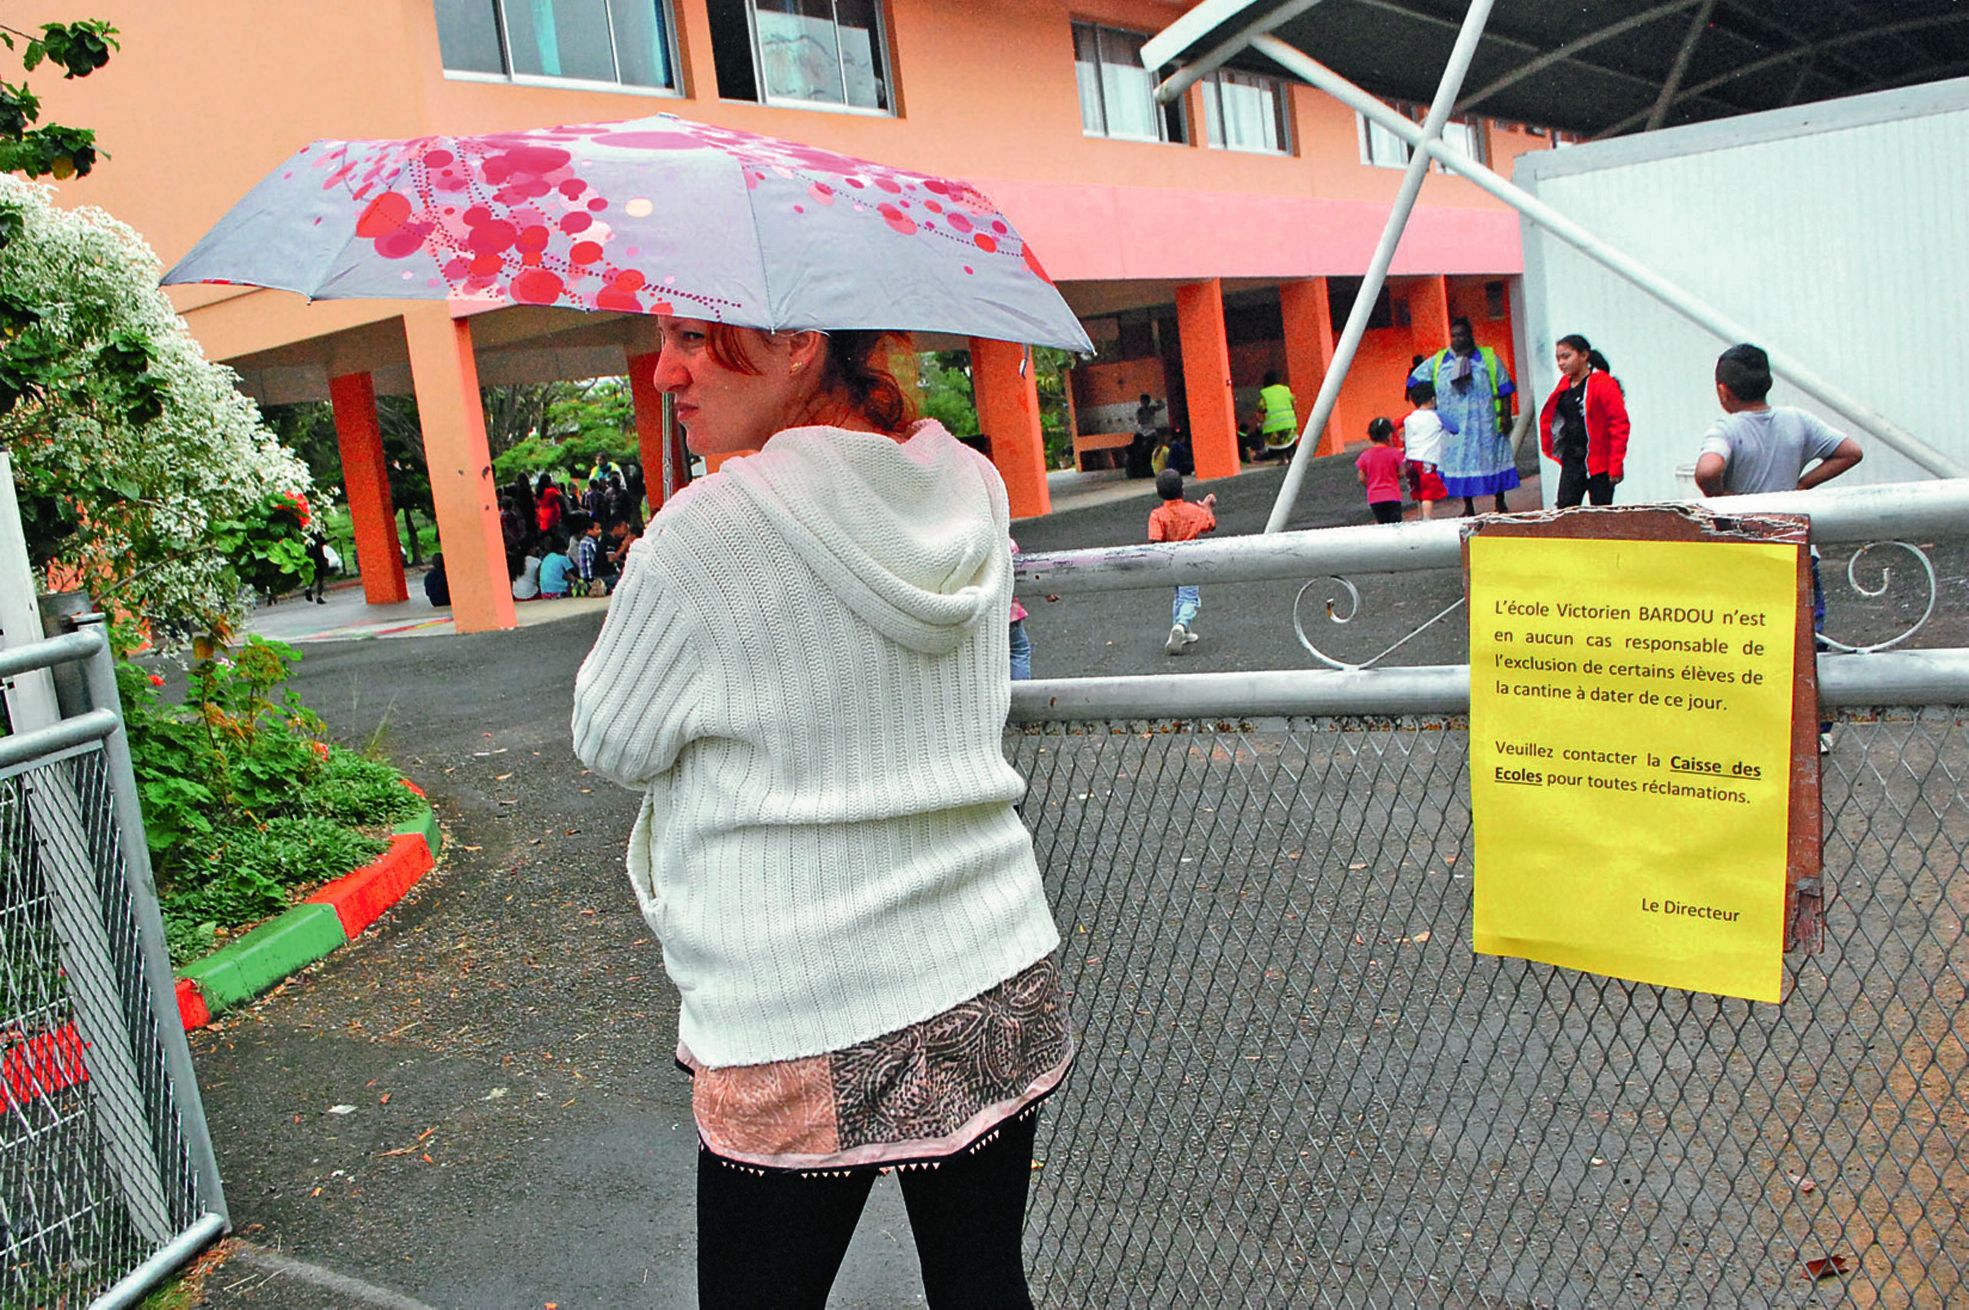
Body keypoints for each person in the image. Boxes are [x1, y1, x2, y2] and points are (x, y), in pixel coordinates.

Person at [572, 317, 1070, 1308]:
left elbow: (611, 737)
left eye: (690, 337)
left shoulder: (705, 532)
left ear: (798, 339)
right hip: (987, 960)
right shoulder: (969, 484)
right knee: (982, 1284)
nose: (664, 370)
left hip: (801, 1007)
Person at [1693, 342, 1864, 753]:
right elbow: (1850, 452)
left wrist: (1723, 497)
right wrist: (1803, 485)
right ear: (1766, 383)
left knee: (1748, 641)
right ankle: (1815, 728)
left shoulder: (1726, 428)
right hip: (1799, 549)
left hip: (1747, 552)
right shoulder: (1796, 420)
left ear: (1723, 391)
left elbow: (1708, 469)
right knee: (1807, 640)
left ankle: (1756, 724)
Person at [1410, 316, 1519, 515]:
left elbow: (1505, 388)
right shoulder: (1440, 361)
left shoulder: (1487, 358)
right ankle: (1468, 507)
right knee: (1461, 464)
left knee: (1493, 460)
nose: (1458, 339)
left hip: (1485, 425)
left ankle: (1500, 502)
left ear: (1470, 335)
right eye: (1454, 335)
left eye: (1462, 335)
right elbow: (1414, 380)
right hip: (1456, 428)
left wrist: (1505, 416)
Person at [1539, 334, 1631, 508]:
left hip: (1600, 465)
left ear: (1583, 356)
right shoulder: (1564, 386)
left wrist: (1616, 464)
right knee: (1565, 512)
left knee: (1601, 514)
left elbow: (1619, 425)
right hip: (1572, 461)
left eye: (1566, 357)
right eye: (1558, 358)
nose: (1561, 363)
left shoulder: (1603, 383)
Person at [1148, 467, 1217, 655]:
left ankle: (1181, 630)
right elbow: (1210, 525)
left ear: (1159, 492)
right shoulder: (1193, 511)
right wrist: (1207, 508)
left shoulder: (1157, 515)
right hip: (1190, 559)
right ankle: (1181, 624)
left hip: (1169, 561)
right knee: (1190, 597)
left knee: (1178, 595)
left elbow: (1154, 540)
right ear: (1182, 490)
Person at [1401, 381, 1450, 521]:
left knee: (1417, 491)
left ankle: (1420, 516)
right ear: (1433, 399)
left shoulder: (1409, 418)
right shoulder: (1436, 417)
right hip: (1427, 459)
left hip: (1410, 459)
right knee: (1428, 492)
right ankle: (1427, 519)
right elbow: (1454, 428)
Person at [1357, 418, 1407, 525]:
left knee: (1382, 524)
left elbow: (1361, 477)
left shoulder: (1365, 455)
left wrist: (1371, 484)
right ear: (1389, 435)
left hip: (1374, 497)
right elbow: (1402, 472)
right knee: (1396, 525)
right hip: (1392, 494)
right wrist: (1392, 476)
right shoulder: (1394, 453)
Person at [1252, 371, 1298, 461]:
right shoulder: (1285, 390)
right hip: (1290, 426)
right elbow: (1294, 402)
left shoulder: (1265, 394)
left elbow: (1261, 409)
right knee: (1288, 441)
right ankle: (1289, 457)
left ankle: (1283, 458)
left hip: (1273, 429)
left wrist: (1260, 423)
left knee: (1276, 444)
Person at [1009, 538, 1032, 681]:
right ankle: (1020, 693)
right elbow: (1024, 574)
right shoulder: (1007, 544)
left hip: (977, 613)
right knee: (1019, 650)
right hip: (1008, 614)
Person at [538, 535, 574, 599]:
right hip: (558, 592)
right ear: (562, 549)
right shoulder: (563, 558)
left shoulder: (546, 558)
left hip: (544, 592)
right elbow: (573, 571)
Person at [303, 523, 331, 603]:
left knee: (315, 577)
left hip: (312, 562)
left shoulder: (308, 543)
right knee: (320, 579)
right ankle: (319, 596)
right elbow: (323, 542)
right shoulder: (318, 541)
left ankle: (308, 588)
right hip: (319, 561)